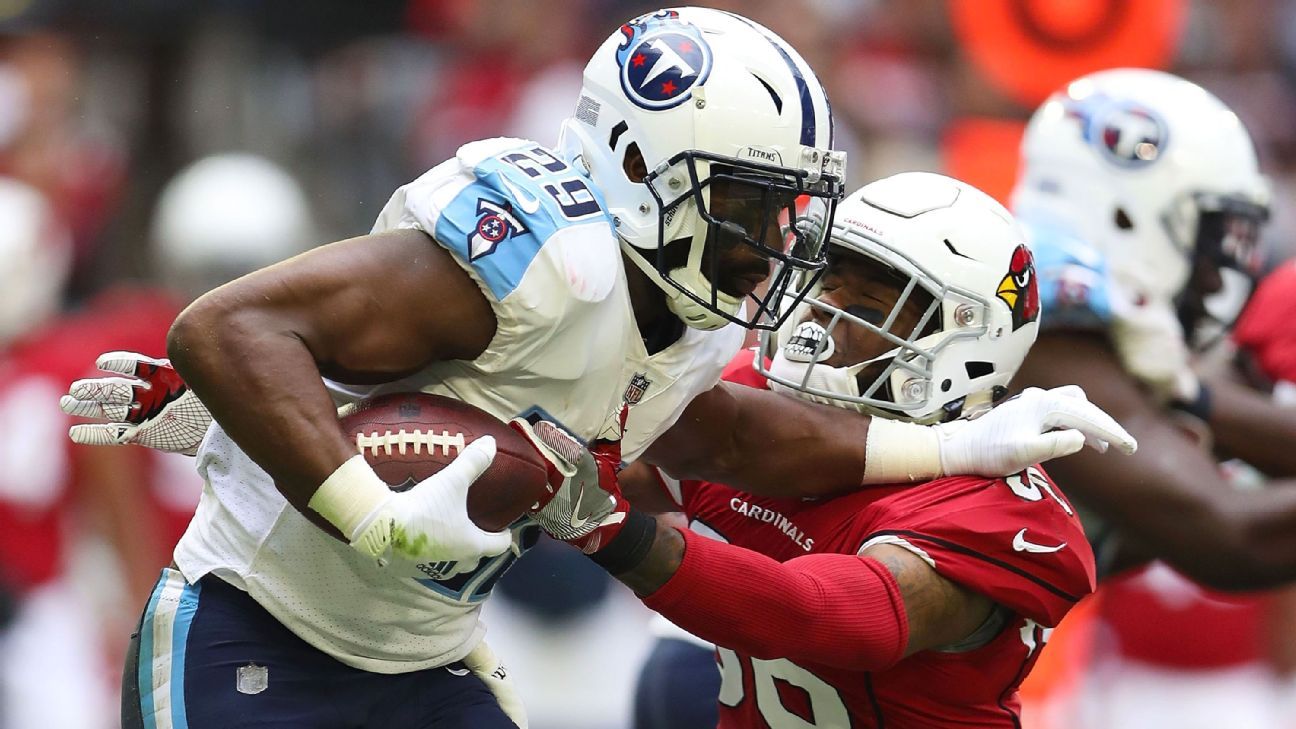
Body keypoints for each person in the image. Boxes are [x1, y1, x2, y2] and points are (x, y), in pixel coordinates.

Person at [62, 9, 1132, 728]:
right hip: (257, 628)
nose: (776, 244)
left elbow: (726, 439)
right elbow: (231, 330)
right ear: (637, 166)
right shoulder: (541, 257)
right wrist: (353, 500)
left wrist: (956, 445)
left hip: (426, 660)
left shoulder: (691, 317)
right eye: (751, 203)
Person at [530, 171, 1096, 727]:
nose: (822, 312)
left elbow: (824, 617)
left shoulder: (992, 506)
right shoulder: (756, 399)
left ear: (966, 341)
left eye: (868, 306)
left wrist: (615, 533)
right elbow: (605, 465)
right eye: (826, 284)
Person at [1008, 67, 1296, 589]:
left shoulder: (1084, 337)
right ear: (1122, 215)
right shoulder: (1037, 319)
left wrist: (1198, 396)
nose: (1215, 277)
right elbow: (1233, 537)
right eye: (1210, 238)